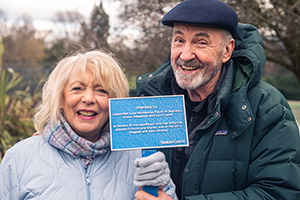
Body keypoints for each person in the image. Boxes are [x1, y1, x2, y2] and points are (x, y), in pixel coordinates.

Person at [135, 0, 300, 199]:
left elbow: (279, 193)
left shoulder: (267, 107)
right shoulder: (148, 100)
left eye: (201, 42)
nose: (185, 55)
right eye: (179, 40)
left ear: (227, 51)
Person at [0, 50, 177, 199]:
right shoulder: (20, 158)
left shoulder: (142, 159)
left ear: (114, 101)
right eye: (77, 88)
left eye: (101, 91)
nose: (89, 99)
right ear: (60, 98)